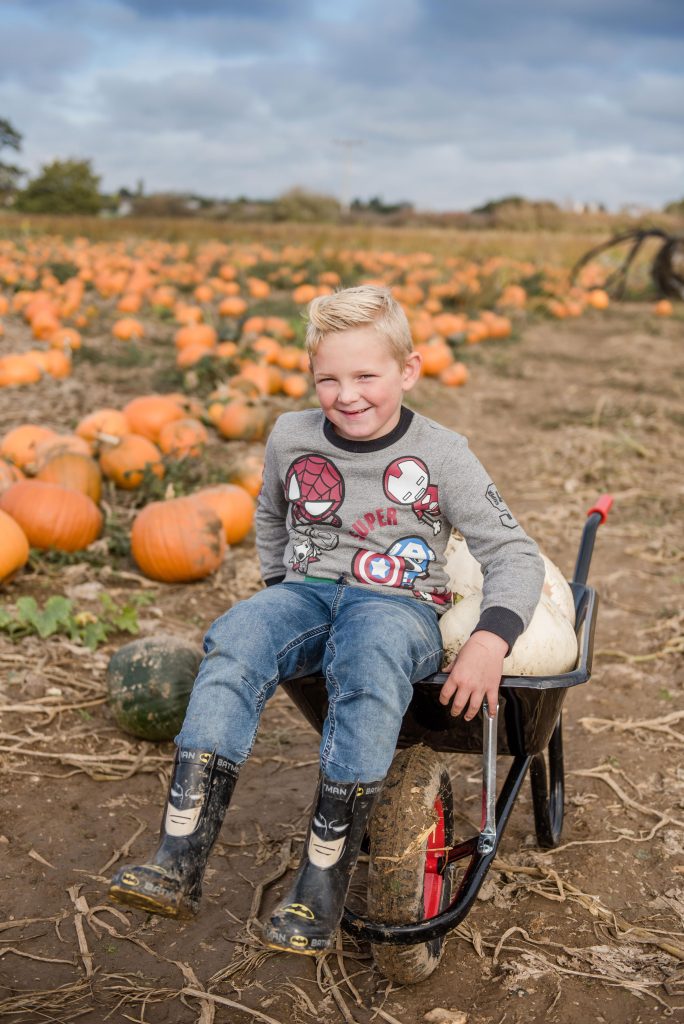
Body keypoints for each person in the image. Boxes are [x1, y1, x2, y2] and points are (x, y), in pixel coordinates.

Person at [108, 285, 544, 955]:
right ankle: (178, 858)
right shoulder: (291, 434)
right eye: (328, 379)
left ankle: (320, 886)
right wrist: (281, 590)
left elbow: (512, 552)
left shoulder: (442, 452)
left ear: (409, 369)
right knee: (239, 634)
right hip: (310, 594)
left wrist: (490, 638)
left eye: (366, 376)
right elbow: (270, 515)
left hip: (398, 608)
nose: (346, 394)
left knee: (369, 659)